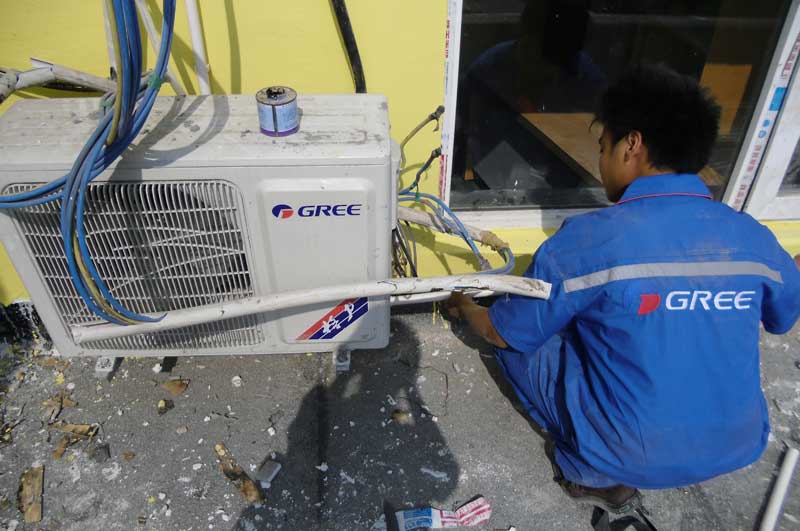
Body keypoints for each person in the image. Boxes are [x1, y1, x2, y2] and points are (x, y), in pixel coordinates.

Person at [446, 64, 800, 513]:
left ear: (632, 145)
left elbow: (503, 333)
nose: (599, 161)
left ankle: (589, 474)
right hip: (739, 445)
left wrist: (465, 304)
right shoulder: (753, 237)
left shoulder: (589, 239)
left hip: (632, 453)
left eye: (602, 146)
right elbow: (785, 314)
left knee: (522, 338)